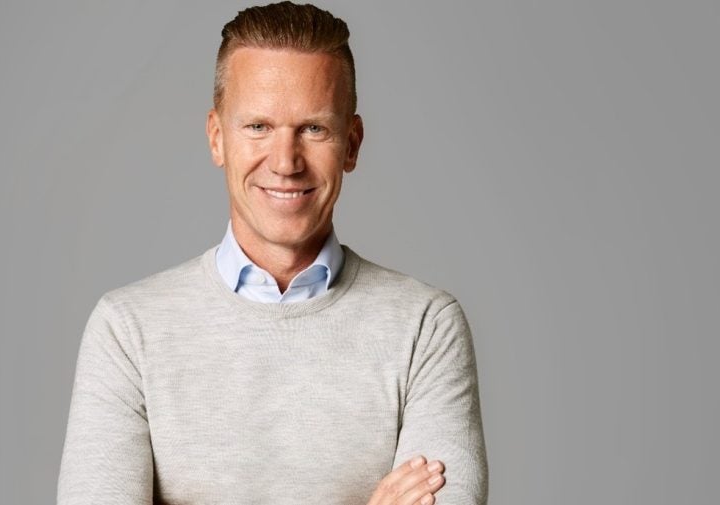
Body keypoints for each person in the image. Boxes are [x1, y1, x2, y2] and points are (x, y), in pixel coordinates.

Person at [57, 2, 487, 504]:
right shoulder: (128, 330)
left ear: (351, 144)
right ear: (217, 138)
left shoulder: (425, 327)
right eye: (258, 126)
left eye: (313, 129)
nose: (285, 162)